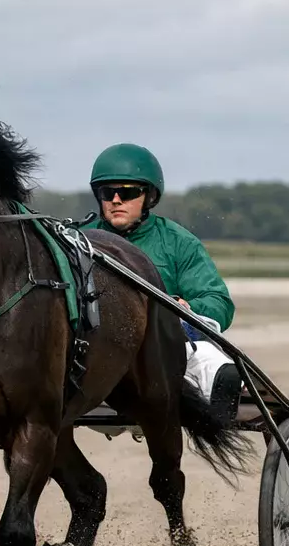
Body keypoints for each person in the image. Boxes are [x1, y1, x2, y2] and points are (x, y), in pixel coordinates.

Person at [81, 143, 241, 424]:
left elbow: (218, 302)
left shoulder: (178, 242)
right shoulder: (77, 240)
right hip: (95, 356)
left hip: (163, 354)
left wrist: (187, 309)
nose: (116, 200)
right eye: (108, 192)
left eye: (127, 192)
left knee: (218, 367)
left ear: (149, 197)